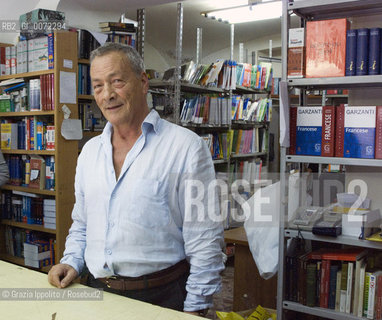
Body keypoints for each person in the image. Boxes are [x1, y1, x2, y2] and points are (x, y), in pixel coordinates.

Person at [48, 42, 224, 316]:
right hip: (96, 292)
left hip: (161, 297)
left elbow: (205, 240)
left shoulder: (186, 148)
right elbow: (83, 223)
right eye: (97, 86)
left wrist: (196, 308)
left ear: (143, 82)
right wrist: (71, 262)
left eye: (117, 81)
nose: (107, 95)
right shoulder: (90, 153)